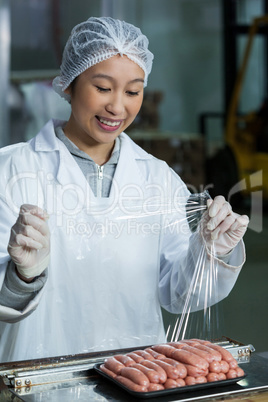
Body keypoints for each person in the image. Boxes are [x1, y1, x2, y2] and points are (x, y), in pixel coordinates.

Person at [0, 16, 249, 363]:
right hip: (37, 377)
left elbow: (178, 294)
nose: (118, 107)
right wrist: (22, 277)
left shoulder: (157, 179)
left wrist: (210, 251)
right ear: (69, 85)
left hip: (135, 375)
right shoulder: (12, 170)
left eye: (133, 91)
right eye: (103, 88)